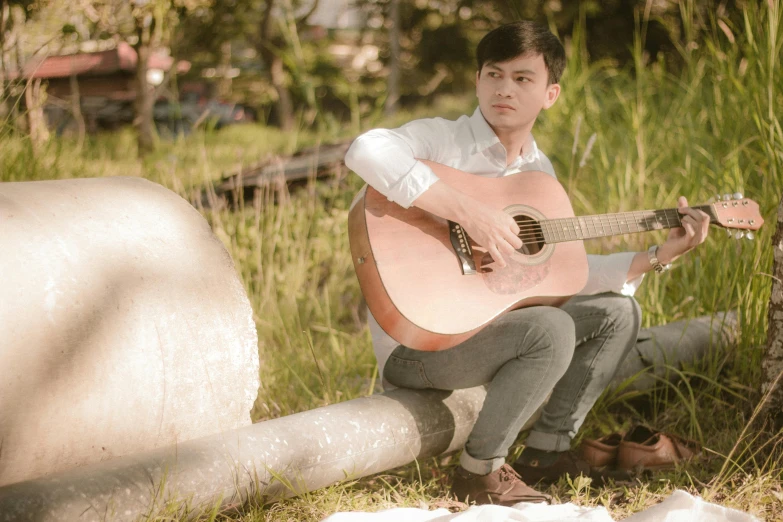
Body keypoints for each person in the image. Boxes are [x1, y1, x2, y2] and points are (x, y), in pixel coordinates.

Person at [344, 20, 710, 506]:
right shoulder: (443, 140)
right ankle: (480, 473)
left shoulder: (539, 176)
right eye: (493, 75)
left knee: (617, 313)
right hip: (420, 342)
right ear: (477, 81)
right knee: (550, 328)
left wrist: (658, 256)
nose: (504, 89)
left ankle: (547, 452)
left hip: (494, 333)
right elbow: (365, 149)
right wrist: (467, 211)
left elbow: (564, 273)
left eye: (522, 79)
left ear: (550, 93)